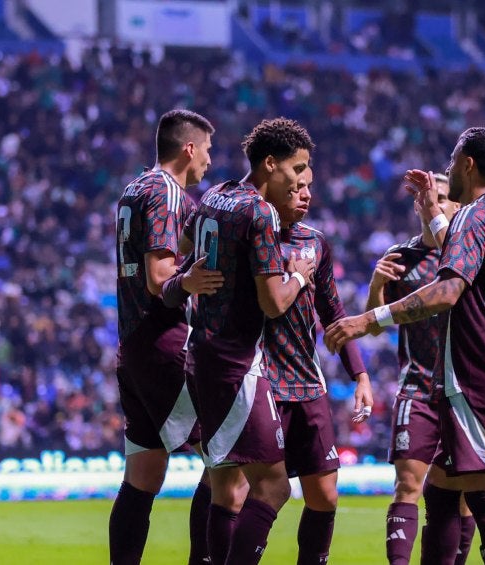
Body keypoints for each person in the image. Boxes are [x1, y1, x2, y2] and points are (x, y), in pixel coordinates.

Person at [325, 127, 485, 565]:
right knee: (442, 489)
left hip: (477, 374)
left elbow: (446, 292)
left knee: (484, 492)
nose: (448, 171)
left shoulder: (476, 216)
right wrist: (434, 210)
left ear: (467, 164)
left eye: (452, 163)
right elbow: (452, 241)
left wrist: (368, 319)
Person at [163, 117, 316, 564]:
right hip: (235, 361)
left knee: (223, 481)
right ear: (271, 164)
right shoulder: (260, 212)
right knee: (273, 486)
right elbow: (273, 303)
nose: (301, 179)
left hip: (202, 353)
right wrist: (299, 277)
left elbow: (187, 241)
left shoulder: (216, 195)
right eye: (297, 167)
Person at [109, 109, 225, 565]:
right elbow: (160, 277)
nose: (209, 164)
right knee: (225, 461)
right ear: (189, 148)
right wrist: (192, 280)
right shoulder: (166, 193)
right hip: (165, 343)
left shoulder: (134, 189)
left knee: (143, 476)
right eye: (208, 152)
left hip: (133, 346)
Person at [262, 167, 375, 564]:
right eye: (296, 187)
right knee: (242, 492)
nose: (306, 195)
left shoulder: (316, 242)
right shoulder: (250, 234)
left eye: (309, 186)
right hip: (259, 382)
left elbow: (332, 312)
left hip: (307, 382)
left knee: (325, 496)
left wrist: (359, 373)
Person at [365, 174, 475, 564]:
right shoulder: (401, 257)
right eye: (433, 198)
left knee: (460, 497)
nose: (439, 204)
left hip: (464, 393)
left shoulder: (467, 254)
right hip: (418, 388)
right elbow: (374, 326)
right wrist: (377, 283)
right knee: (407, 484)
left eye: (446, 198)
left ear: (457, 207)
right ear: (418, 206)